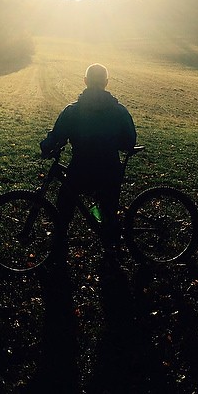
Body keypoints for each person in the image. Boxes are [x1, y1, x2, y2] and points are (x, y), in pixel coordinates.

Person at [40, 63, 137, 255]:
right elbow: (129, 142)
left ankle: (60, 239)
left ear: (85, 81)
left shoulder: (72, 111)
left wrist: (46, 147)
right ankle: (111, 243)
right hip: (109, 170)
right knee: (109, 207)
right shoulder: (119, 111)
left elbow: (57, 136)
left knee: (65, 203)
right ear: (106, 83)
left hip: (80, 170)